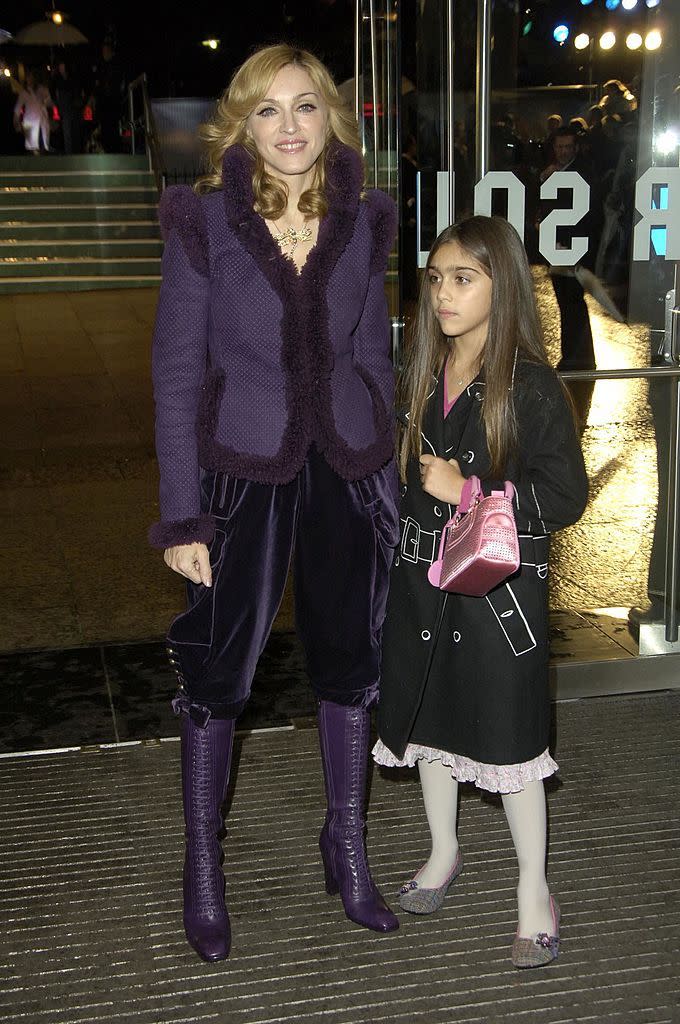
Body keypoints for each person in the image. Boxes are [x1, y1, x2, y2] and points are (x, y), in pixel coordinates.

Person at [149, 44, 400, 962]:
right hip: (240, 469)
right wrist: (183, 517)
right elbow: (177, 372)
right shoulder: (205, 222)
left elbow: (373, 356)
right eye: (268, 110)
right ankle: (202, 865)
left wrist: (389, 478)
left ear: (333, 115)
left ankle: (348, 844)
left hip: (344, 463)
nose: (289, 127)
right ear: (240, 124)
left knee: (350, 661)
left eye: (305, 106)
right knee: (220, 674)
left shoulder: (367, 219)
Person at [373, 216, 588, 968]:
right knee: (431, 731)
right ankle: (443, 852)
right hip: (423, 590)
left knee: (510, 743)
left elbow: (565, 496)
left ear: (504, 287)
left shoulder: (530, 385)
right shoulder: (421, 373)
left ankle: (536, 888)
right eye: (435, 279)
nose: (443, 293)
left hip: (498, 604)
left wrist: (472, 486)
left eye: (463, 278)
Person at [13, 71, 52, 154]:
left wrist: (44, 102)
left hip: (42, 121)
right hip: (30, 122)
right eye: (28, 78)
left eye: (31, 77)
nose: (30, 80)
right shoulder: (24, 93)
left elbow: (50, 103)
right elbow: (17, 109)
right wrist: (16, 121)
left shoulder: (43, 90)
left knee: (43, 147)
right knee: (32, 148)